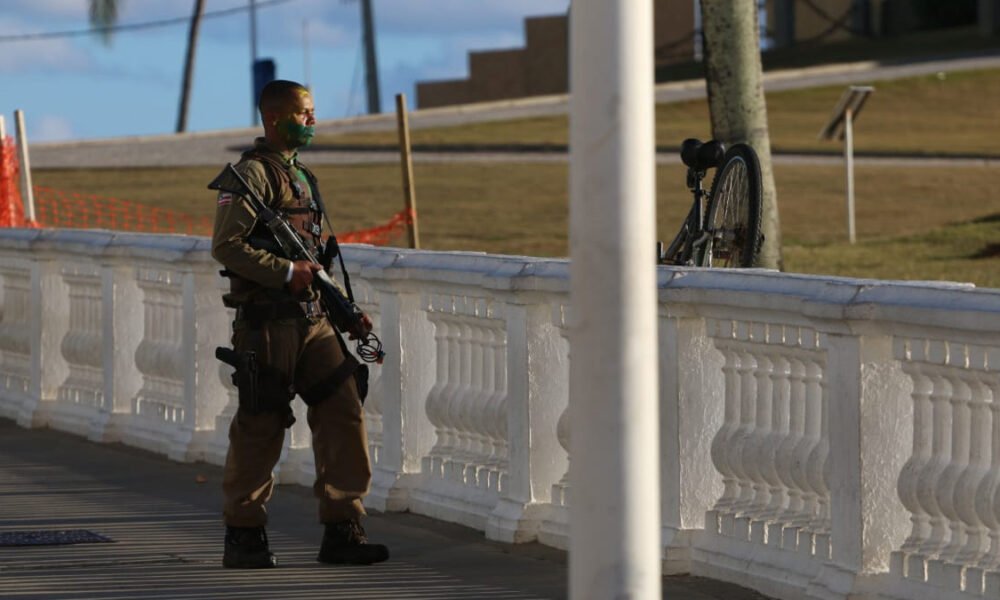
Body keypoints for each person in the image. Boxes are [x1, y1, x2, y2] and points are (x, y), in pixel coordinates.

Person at [211, 79, 388, 569]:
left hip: (313, 321)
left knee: (343, 408)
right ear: (273, 118)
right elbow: (226, 246)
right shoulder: (250, 176)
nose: (311, 120)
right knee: (262, 423)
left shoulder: (302, 177)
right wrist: (285, 272)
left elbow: (315, 256)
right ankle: (244, 536)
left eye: (312, 112)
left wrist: (345, 310)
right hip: (267, 326)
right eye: (302, 113)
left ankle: (343, 528)